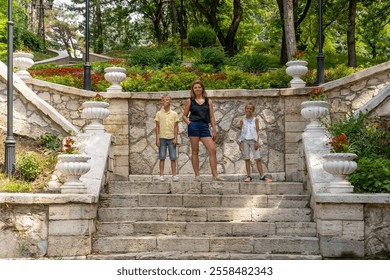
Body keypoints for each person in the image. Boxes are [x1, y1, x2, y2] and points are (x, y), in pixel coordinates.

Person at [183, 80, 224, 181]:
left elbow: (212, 116)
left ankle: (215, 175)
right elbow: (184, 116)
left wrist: (214, 130)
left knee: (212, 149)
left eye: (199, 87)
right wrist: (190, 124)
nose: (197, 89)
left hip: (204, 127)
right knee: (195, 151)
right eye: (195, 87)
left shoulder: (208, 101)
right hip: (194, 126)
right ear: (193, 89)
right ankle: (197, 176)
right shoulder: (190, 101)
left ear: (202, 88)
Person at [238, 102, 272, 182]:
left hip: (253, 141)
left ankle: (262, 176)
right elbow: (241, 132)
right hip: (245, 141)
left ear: (253, 110)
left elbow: (257, 131)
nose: (249, 110)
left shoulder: (255, 119)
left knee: (258, 158)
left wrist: (257, 142)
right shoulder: (242, 120)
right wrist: (240, 143)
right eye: (247, 108)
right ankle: (249, 176)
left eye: (251, 109)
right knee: (247, 158)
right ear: (245, 109)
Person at [155, 94, 179, 182]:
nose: (166, 101)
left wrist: (176, 138)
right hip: (162, 138)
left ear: (170, 102)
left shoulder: (174, 114)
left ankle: (174, 175)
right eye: (164, 100)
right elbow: (157, 127)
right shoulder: (159, 113)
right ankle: (161, 175)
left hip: (171, 138)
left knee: (173, 157)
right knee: (162, 156)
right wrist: (157, 138)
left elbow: (176, 127)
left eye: (168, 100)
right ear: (162, 102)